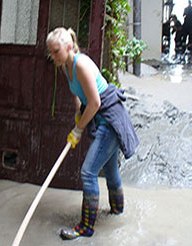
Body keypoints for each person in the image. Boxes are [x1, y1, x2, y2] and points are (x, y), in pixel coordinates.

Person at [46, 27, 139, 240]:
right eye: (50, 52)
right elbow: (78, 94)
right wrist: (78, 115)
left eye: (56, 51)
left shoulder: (82, 64)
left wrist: (78, 131)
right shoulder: (65, 66)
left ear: (69, 47)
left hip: (110, 119)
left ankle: (86, 228)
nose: (53, 56)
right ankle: (117, 211)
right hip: (100, 116)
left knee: (88, 173)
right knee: (110, 169)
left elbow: (95, 102)